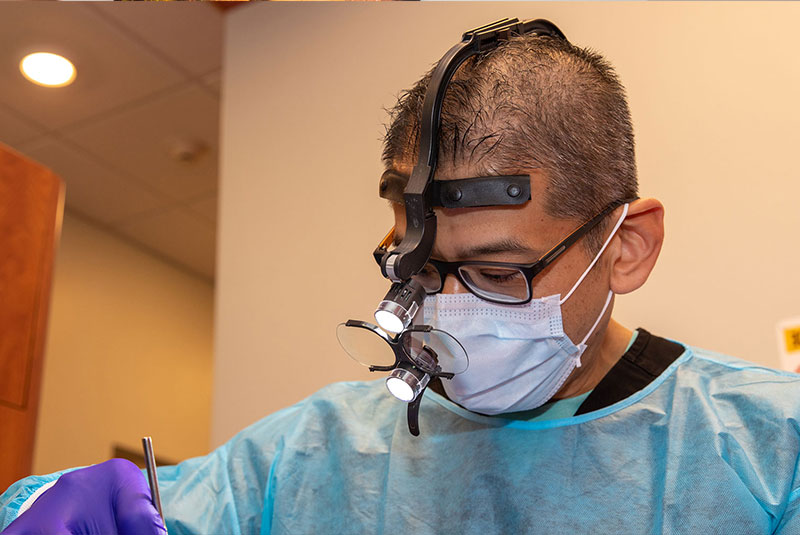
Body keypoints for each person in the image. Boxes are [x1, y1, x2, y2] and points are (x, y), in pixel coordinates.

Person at [3, 17, 800, 535]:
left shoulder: (770, 454)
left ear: (626, 246)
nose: (445, 312)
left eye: (496, 270)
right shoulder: (314, 455)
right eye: (418, 269)